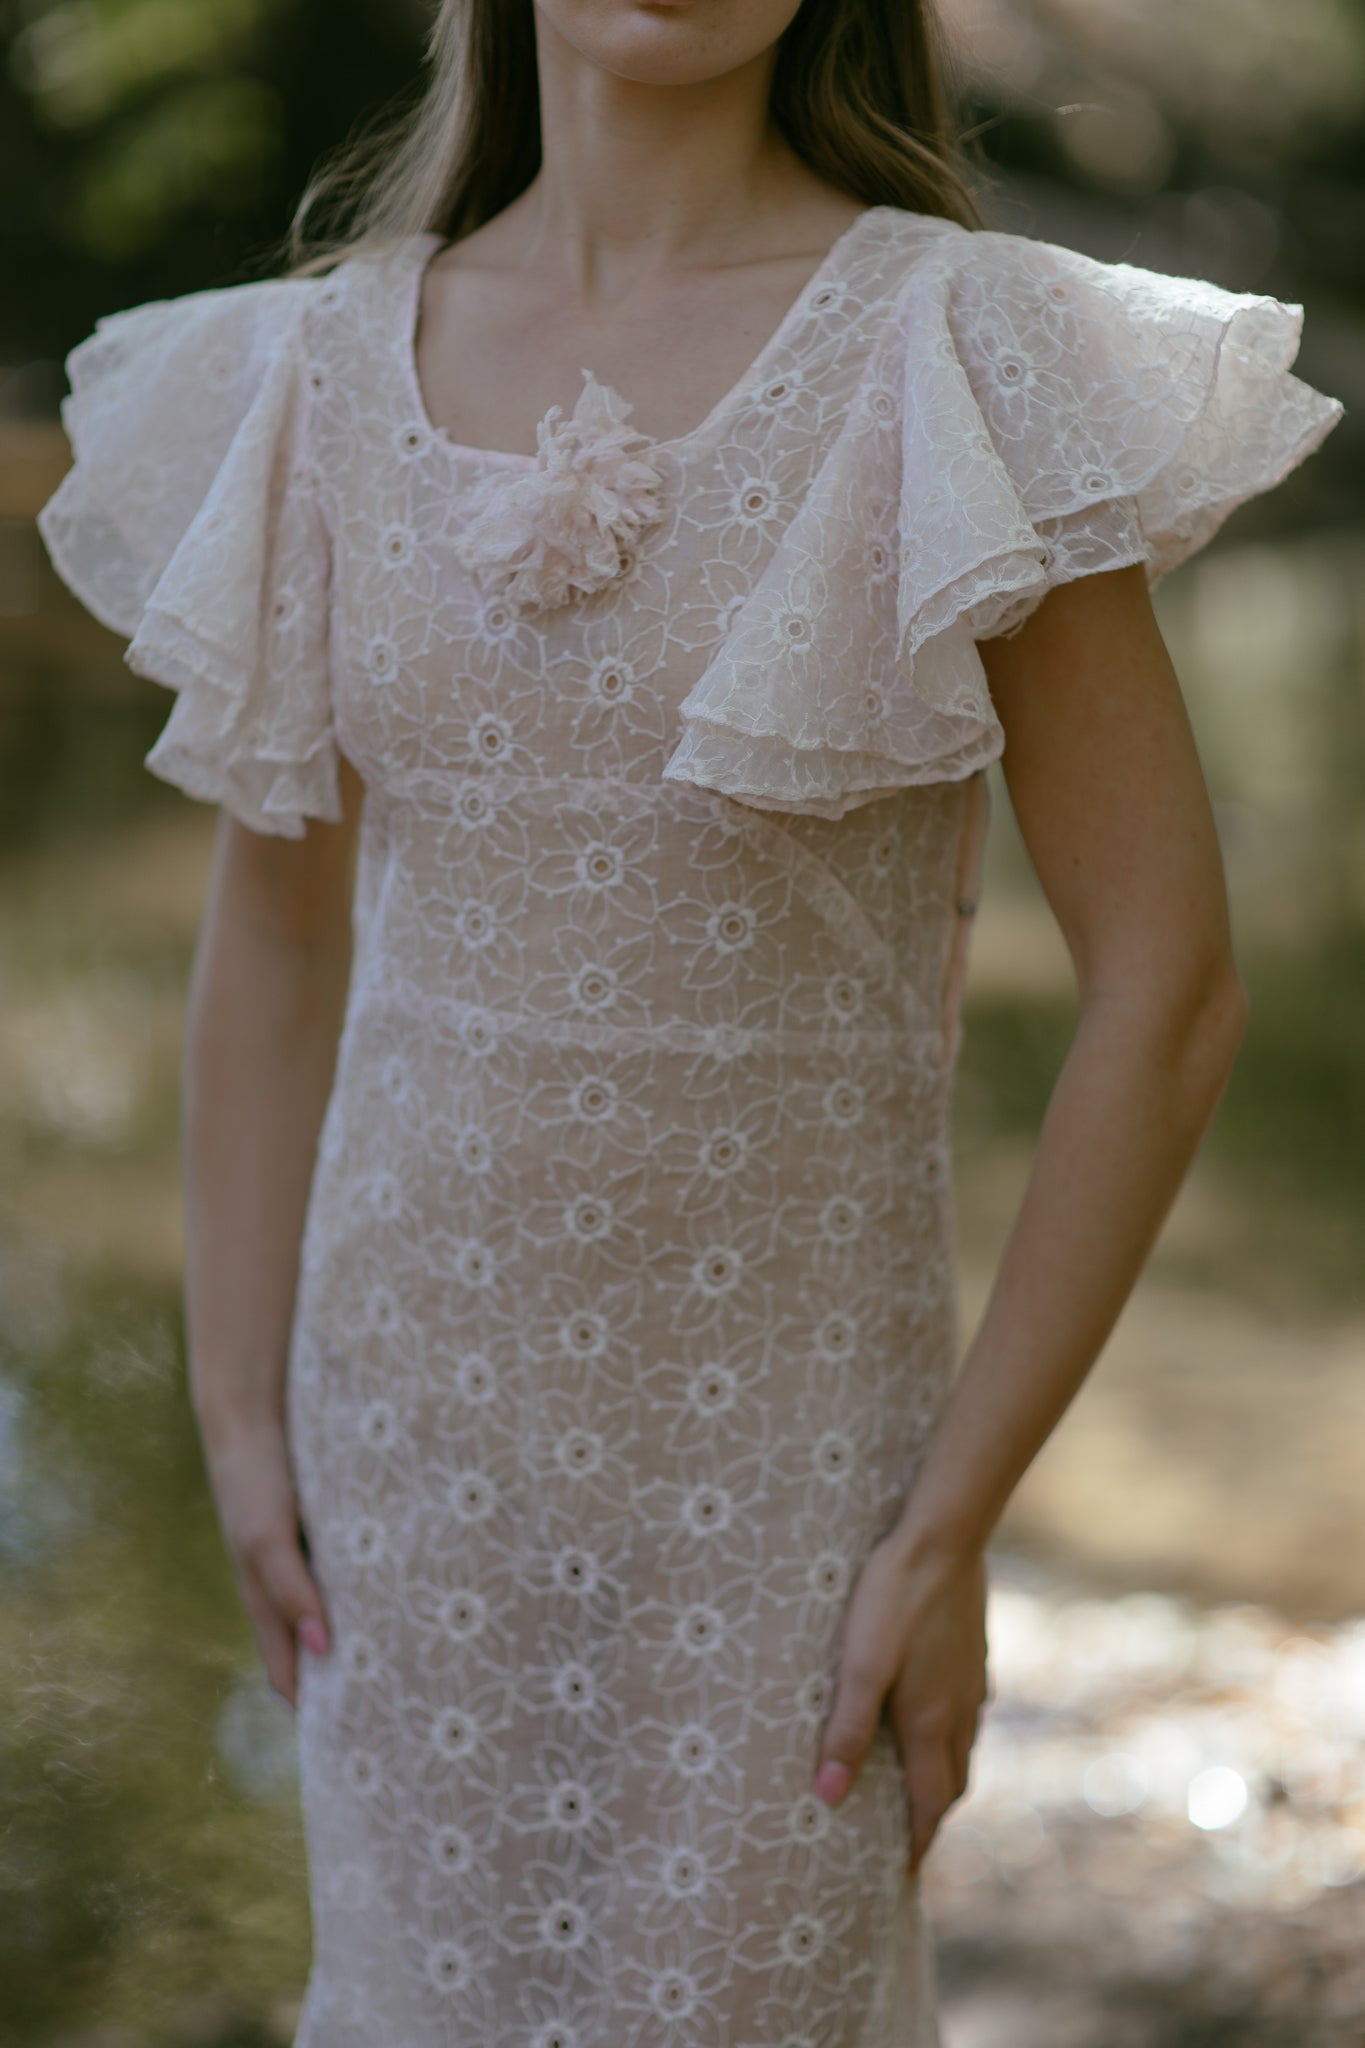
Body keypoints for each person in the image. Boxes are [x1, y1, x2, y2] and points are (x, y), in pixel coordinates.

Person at [36, 1, 1344, 2041]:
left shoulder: (959, 354)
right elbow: (279, 940)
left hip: (795, 1487)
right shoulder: (303, 373)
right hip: (403, 1448)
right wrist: (232, 1406)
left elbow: (1164, 990)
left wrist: (949, 1516)